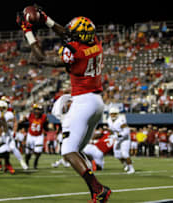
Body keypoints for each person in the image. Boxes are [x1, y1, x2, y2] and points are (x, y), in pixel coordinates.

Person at [17, 8, 111, 202]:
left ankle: (98, 189)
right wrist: (46, 20)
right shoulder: (96, 42)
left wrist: (28, 30)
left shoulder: (75, 50)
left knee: (68, 151)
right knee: (76, 150)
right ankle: (96, 191)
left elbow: (41, 58)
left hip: (83, 101)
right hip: (97, 102)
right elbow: (68, 34)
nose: (70, 33)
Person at [108, 107, 135, 174]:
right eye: (111, 114)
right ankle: (125, 164)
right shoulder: (109, 120)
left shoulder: (121, 120)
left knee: (125, 154)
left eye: (114, 114)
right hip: (118, 139)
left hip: (125, 139)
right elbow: (111, 130)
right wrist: (111, 136)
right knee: (117, 155)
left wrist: (118, 135)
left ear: (117, 114)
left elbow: (126, 131)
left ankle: (131, 168)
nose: (113, 115)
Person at [24, 103, 48, 169]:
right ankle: (26, 162)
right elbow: (23, 121)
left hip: (39, 136)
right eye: (36, 110)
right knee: (28, 152)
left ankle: (35, 162)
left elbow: (46, 126)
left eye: (39, 110)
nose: (37, 111)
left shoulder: (44, 117)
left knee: (38, 151)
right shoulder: (30, 115)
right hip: (30, 135)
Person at [50, 93, 71, 168]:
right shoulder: (63, 115)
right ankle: (62, 161)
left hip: (70, 133)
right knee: (67, 150)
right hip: (67, 133)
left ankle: (61, 162)